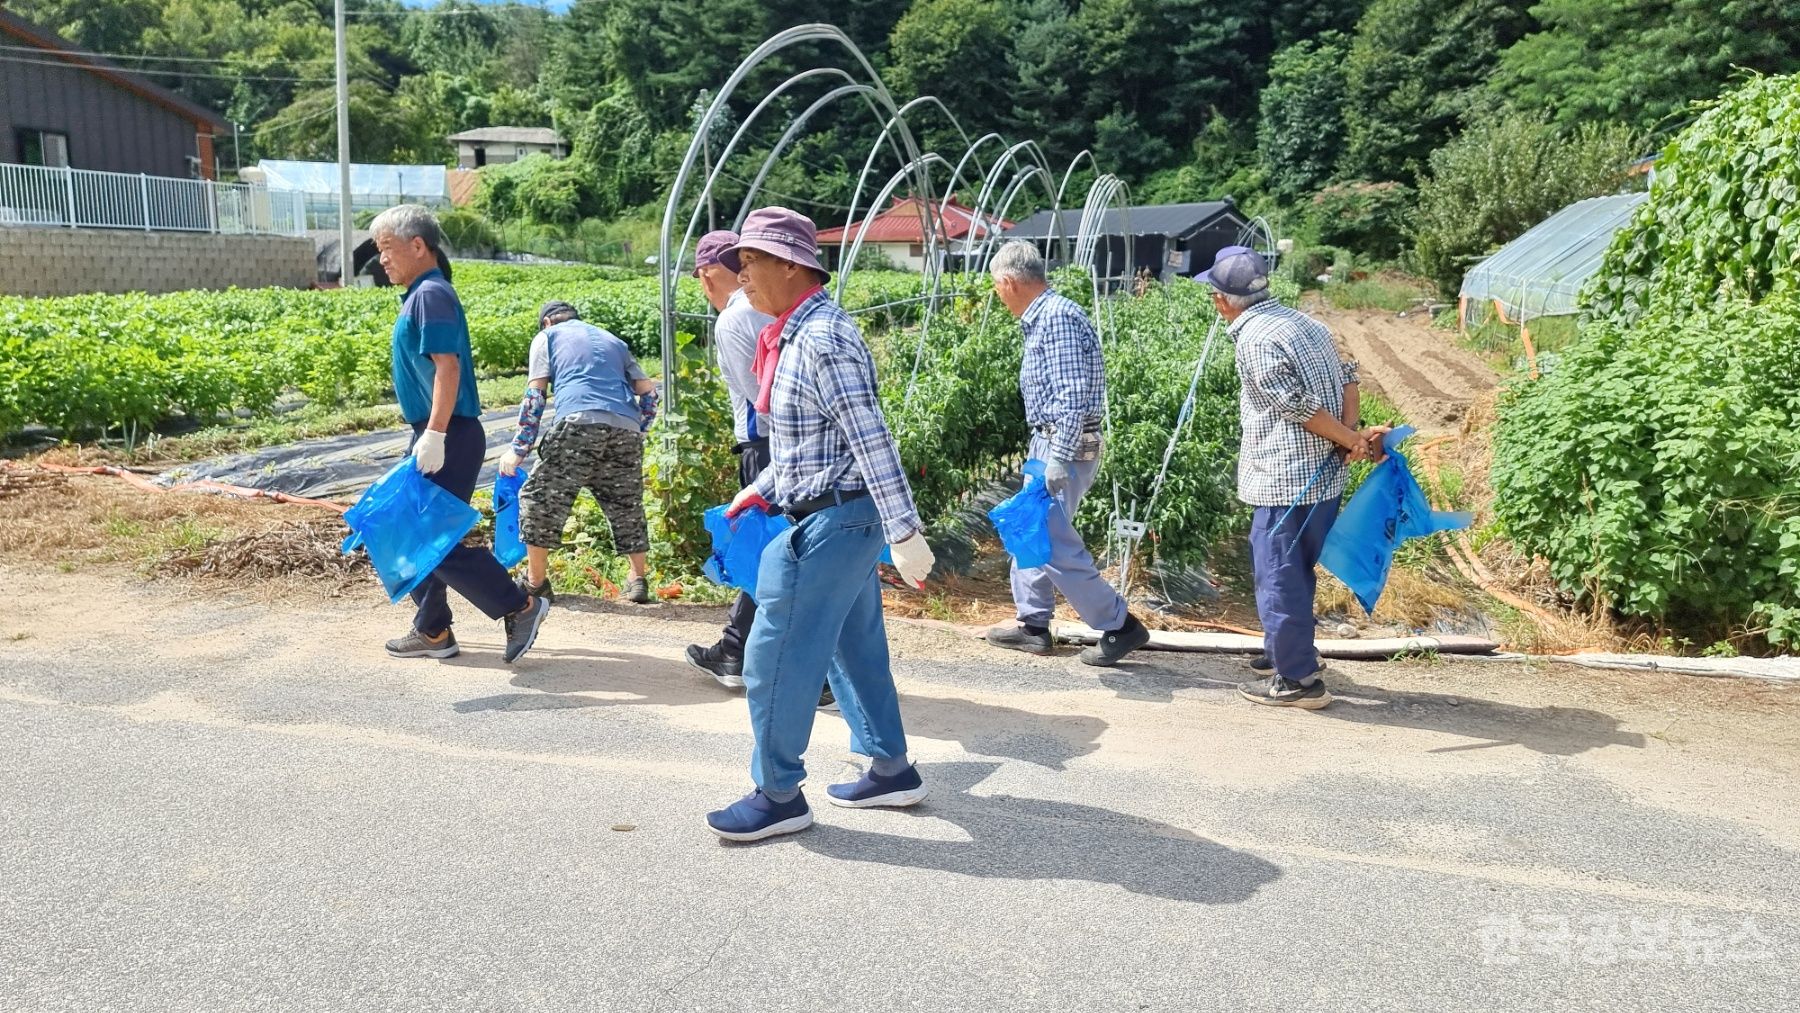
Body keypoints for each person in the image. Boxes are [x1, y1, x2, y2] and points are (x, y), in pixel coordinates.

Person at [703, 207, 936, 842]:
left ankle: (778, 794)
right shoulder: (795, 334)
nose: (742, 275)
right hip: (831, 507)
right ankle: (891, 768)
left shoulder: (824, 340)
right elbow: (812, 446)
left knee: (772, 652)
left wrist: (905, 530)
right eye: (739, 264)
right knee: (851, 644)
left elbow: (870, 439)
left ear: (791, 265)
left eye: (751, 262)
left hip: (839, 518)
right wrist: (761, 488)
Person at [1196, 245, 1386, 710]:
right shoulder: (1305, 323)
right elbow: (1348, 377)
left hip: (1287, 480)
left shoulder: (1256, 339)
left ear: (1221, 299)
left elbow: (1295, 406)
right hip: (1322, 479)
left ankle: (1298, 681)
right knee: (1294, 570)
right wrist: (1348, 437)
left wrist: (1348, 438)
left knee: (1278, 574)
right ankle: (1286, 652)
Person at [371, 204, 549, 663]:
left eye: (387, 248)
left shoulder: (431, 294)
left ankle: (520, 604)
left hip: (447, 432)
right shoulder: (420, 294)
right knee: (414, 531)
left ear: (417, 246)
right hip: (438, 431)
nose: (381, 260)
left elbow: (446, 368)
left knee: (426, 538)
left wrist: (435, 433)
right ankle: (432, 630)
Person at [982, 240, 1151, 668]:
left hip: (1065, 443)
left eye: (996, 288)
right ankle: (1033, 625)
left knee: (1054, 542)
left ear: (1007, 282)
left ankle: (1120, 624)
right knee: (1029, 529)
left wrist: (1059, 453)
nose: (998, 297)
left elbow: (1073, 396)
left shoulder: (1056, 318)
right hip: (1049, 441)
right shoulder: (1042, 318)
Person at [499, 301, 658, 605]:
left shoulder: (547, 337)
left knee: (539, 497)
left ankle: (536, 583)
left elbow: (535, 395)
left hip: (579, 422)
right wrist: (639, 428)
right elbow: (649, 394)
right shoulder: (613, 341)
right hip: (625, 427)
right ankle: (637, 579)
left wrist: (519, 449)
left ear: (546, 322)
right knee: (626, 503)